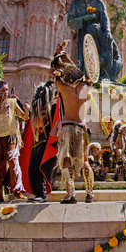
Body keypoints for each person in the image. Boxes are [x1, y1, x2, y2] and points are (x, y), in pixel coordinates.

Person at [51, 55, 94, 204]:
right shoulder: (86, 88)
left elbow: (53, 73)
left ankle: (71, 194)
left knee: (67, 160)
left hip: (68, 128)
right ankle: (89, 193)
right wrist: (68, 61)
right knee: (85, 160)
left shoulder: (63, 88)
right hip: (81, 128)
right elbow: (86, 78)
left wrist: (60, 59)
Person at [67, 0, 123, 82]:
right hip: (83, 34)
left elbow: (104, 18)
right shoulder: (75, 3)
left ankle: (105, 76)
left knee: (107, 49)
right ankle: (87, 79)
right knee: (85, 59)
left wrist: (107, 32)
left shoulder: (98, 3)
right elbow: (70, 21)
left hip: (97, 33)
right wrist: (84, 18)